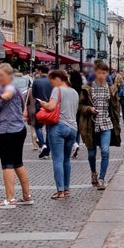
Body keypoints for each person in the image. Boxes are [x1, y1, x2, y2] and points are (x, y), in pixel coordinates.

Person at [0, 63, 32, 208]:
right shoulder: (8, 88)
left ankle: (10, 199)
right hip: (18, 129)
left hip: (8, 131)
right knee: (17, 163)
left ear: (9, 76)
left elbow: (6, 96)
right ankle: (27, 195)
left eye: (1, 75)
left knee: (7, 164)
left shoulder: (9, 88)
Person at [45, 68, 80, 200]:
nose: (52, 84)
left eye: (52, 81)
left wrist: (44, 104)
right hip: (73, 128)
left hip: (59, 126)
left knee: (57, 159)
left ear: (58, 79)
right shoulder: (74, 92)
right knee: (66, 159)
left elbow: (51, 107)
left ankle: (60, 191)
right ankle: (66, 188)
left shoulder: (57, 90)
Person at [83, 61, 116, 190]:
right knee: (91, 154)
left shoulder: (110, 88)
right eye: (99, 73)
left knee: (105, 151)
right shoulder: (87, 88)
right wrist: (89, 109)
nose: (102, 75)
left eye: (104, 73)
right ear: (95, 73)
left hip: (106, 123)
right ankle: (93, 172)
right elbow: (80, 106)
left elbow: (114, 107)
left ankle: (102, 179)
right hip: (91, 125)